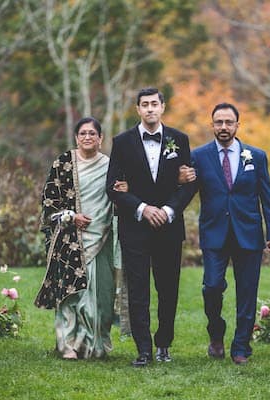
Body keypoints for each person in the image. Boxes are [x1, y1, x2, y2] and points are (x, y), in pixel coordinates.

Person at [106, 88, 196, 366]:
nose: (150, 109)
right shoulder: (121, 143)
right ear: (138, 109)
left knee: (168, 288)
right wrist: (143, 208)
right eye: (144, 105)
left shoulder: (179, 140)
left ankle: (164, 344)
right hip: (135, 228)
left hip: (168, 226)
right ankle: (143, 348)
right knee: (138, 289)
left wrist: (168, 210)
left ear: (162, 107)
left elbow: (189, 181)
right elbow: (113, 186)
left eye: (154, 104)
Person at [190, 102, 270, 365]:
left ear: (237, 125)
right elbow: (185, 192)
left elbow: (268, 197)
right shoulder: (199, 156)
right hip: (214, 232)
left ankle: (241, 346)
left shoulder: (257, 156)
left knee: (247, 291)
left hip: (248, 232)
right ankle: (215, 332)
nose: (224, 127)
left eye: (229, 122)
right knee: (212, 286)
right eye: (219, 122)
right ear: (212, 125)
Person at [36, 117, 126, 360]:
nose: (88, 137)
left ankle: (94, 345)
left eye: (92, 133)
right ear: (76, 137)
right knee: (71, 293)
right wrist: (71, 216)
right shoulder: (63, 163)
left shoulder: (110, 166)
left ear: (101, 138)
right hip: (70, 239)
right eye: (83, 133)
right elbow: (48, 202)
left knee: (98, 296)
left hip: (101, 236)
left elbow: (120, 197)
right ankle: (68, 345)